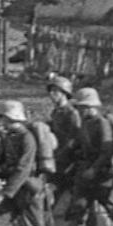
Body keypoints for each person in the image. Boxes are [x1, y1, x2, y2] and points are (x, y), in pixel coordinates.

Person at [0, 100, 47, 226]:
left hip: (28, 190)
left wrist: (4, 193)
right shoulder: (10, 136)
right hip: (14, 189)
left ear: (11, 118)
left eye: (4, 118)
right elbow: (7, 162)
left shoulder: (27, 138)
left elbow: (24, 168)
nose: (2, 122)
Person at [66, 88, 113, 226]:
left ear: (90, 107)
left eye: (81, 107)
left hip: (101, 172)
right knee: (79, 205)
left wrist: (94, 169)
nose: (79, 111)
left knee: (110, 205)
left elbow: (106, 151)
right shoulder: (85, 123)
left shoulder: (102, 123)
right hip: (85, 169)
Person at [47, 75, 81, 203]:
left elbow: (75, 138)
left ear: (64, 93)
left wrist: (63, 154)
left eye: (55, 91)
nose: (51, 94)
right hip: (57, 153)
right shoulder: (56, 112)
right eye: (51, 91)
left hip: (68, 157)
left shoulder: (72, 113)